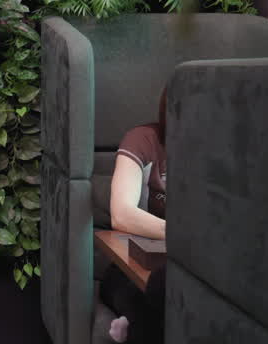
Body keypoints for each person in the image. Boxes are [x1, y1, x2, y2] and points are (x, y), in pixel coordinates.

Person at [101, 86, 169, 344]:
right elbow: (122, 214)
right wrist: (182, 236)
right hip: (132, 264)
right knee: (138, 297)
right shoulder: (143, 139)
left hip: (189, 269)